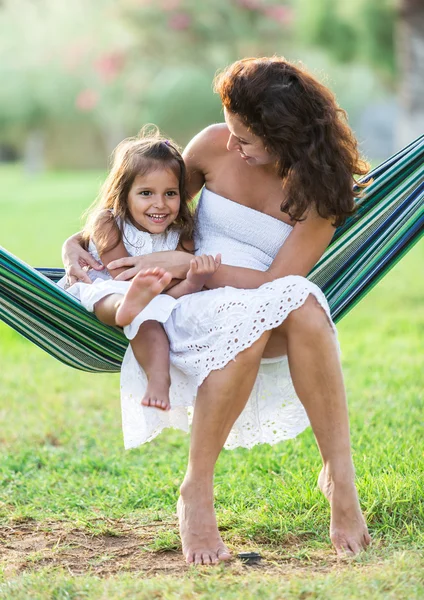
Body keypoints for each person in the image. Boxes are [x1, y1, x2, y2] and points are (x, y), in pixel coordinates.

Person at [62, 57, 372, 564]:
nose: (231, 145)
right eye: (230, 131)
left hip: (262, 301)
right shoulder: (211, 145)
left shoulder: (321, 192)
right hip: (186, 303)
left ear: (285, 133)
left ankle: (341, 477)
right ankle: (196, 492)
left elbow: (278, 283)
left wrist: (188, 259)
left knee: (302, 302)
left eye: (245, 138)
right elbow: (146, 207)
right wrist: (76, 242)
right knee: (280, 311)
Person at [59, 128, 220, 411]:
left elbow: (171, 295)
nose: (160, 204)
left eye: (170, 193)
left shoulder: (183, 233)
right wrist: (156, 287)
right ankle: (124, 307)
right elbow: (119, 273)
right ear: (124, 194)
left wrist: (193, 282)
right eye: (146, 193)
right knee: (114, 296)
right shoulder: (107, 222)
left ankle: (158, 381)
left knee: (149, 322)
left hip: (150, 306)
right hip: (108, 289)